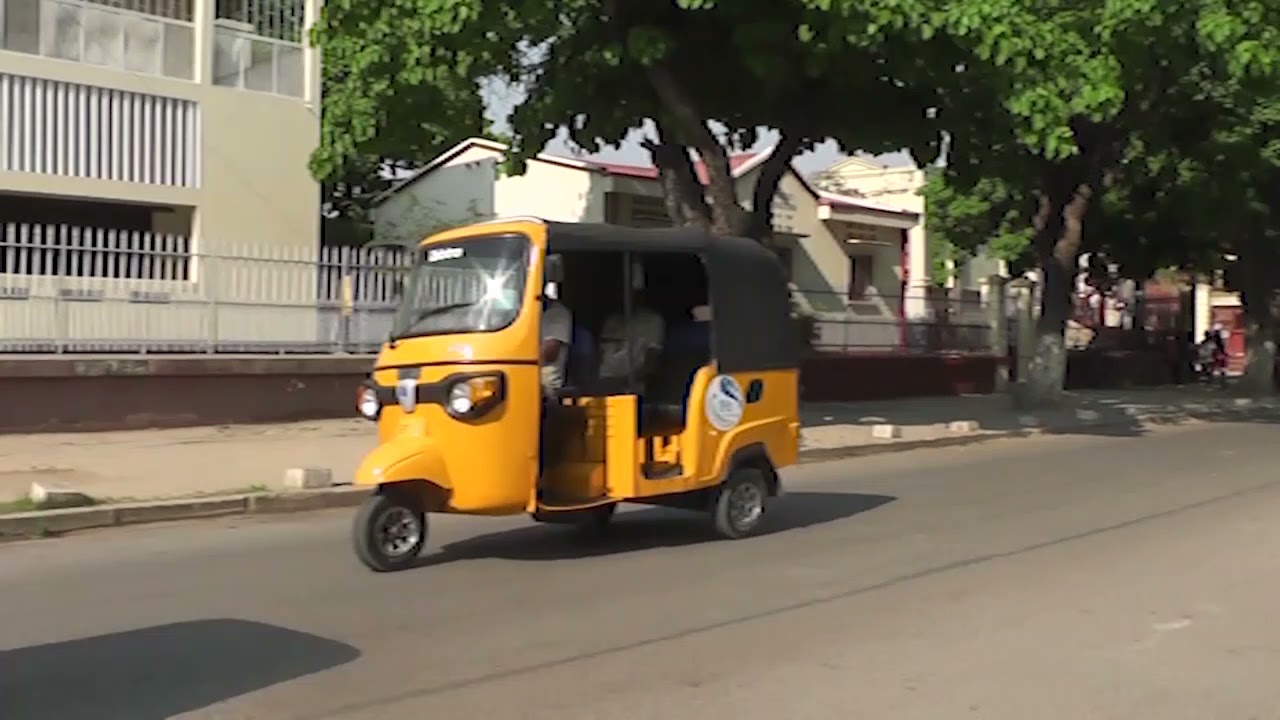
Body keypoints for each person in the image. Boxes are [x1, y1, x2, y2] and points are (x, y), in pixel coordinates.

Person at [598, 289, 665, 383]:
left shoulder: (653, 320)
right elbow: (600, 359)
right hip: (604, 384)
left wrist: (624, 382)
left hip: (635, 386)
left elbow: (651, 365)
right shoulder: (611, 320)